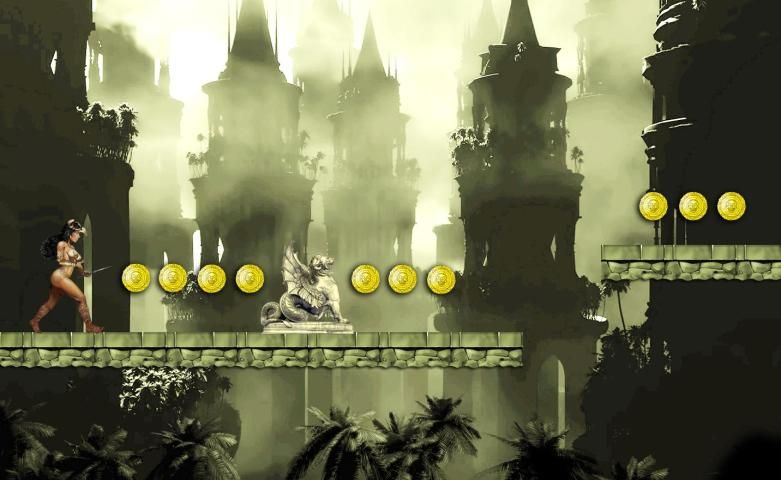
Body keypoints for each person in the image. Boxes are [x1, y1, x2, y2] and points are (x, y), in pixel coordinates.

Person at [30, 219, 103, 332]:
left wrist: (84, 273)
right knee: (81, 298)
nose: (79, 236)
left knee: (50, 303)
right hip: (59, 276)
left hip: (62, 278)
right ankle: (89, 326)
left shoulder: (73, 249)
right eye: (77, 233)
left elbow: (79, 267)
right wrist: (74, 262)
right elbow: (60, 260)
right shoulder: (62, 244)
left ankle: (34, 321)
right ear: (70, 234)